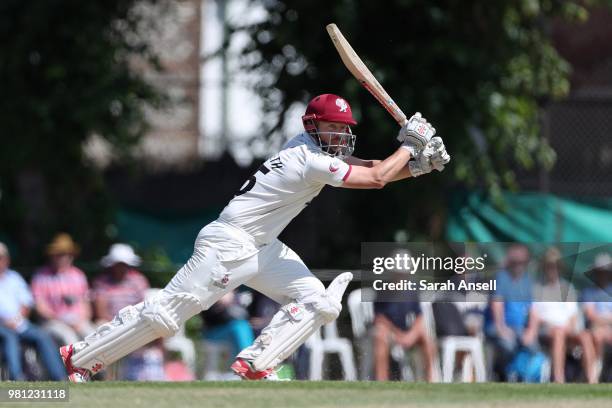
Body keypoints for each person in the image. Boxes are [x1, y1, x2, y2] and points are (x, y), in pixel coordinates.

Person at [60, 93, 451, 382]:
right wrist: (410, 144)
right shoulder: (308, 159)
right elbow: (377, 177)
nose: (341, 136)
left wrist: (420, 165)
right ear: (313, 127)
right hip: (228, 243)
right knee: (165, 316)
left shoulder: (310, 151)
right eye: (334, 128)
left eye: (345, 129)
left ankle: (257, 362)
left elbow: (374, 168)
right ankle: (79, 356)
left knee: (317, 302)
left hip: (261, 246)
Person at [92, 243, 165, 381]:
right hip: (110, 323)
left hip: (135, 321)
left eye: (124, 264)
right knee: (102, 328)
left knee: (159, 325)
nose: (122, 268)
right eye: (119, 264)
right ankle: (107, 376)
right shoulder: (101, 283)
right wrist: (117, 324)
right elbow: (100, 312)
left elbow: (144, 306)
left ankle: (158, 369)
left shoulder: (138, 281)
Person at [0, 242, 66, 380]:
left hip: (19, 324)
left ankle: (60, 378)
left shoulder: (14, 278)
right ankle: (17, 379)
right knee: (9, 338)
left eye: (1, 257)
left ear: (7, 259)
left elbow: (26, 303)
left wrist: (17, 320)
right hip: (2, 326)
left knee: (43, 336)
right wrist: (6, 323)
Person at [532, 247, 597, 383]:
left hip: (566, 329)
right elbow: (535, 315)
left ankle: (592, 379)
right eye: (549, 266)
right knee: (558, 333)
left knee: (585, 336)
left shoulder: (568, 288)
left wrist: (570, 328)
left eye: (555, 266)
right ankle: (559, 378)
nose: (552, 269)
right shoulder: (537, 289)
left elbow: (573, 315)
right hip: (547, 330)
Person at [485, 244, 539, 380]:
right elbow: (497, 305)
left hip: (519, 328)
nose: (518, 265)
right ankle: (501, 376)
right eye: (515, 262)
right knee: (508, 344)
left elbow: (533, 310)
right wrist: (501, 328)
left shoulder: (528, 281)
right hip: (497, 327)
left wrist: (531, 330)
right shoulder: (501, 278)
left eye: (522, 262)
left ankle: (522, 377)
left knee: (533, 346)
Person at [31, 233, 95, 346]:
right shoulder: (41, 276)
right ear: (52, 255)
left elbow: (86, 306)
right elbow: (40, 308)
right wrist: (61, 320)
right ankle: (76, 364)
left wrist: (80, 321)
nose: (64, 257)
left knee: (94, 336)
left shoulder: (79, 275)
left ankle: (99, 364)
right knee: (69, 338)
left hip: (78, 321)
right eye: (60, 254)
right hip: (53, 322)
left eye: (67, 254)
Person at [581, 252, 612, 380]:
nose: (602, 275)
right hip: (595, 330)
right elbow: (590, 315)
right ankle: (596, 373)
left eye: (605, 271)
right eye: (600, 271)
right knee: (596, 336)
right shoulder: (588, 292)